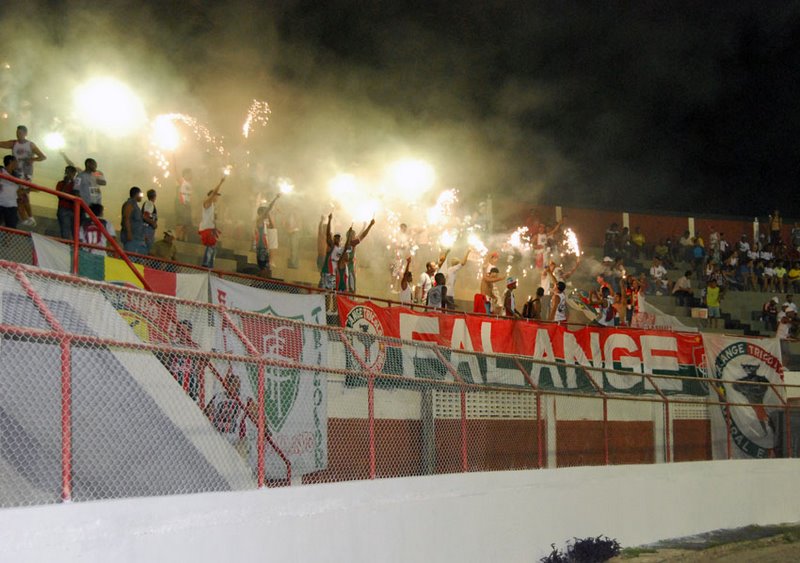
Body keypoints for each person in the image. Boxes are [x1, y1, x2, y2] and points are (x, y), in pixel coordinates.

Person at [0, 125, 46, 227]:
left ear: (25, 133)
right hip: (16, 172)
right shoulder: (13, 143)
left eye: (20, 133)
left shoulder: (30, 145)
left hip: (26, 173)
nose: (18, 134)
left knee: (23, 193)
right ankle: (26, 218)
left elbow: (43, 157)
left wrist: (32, 159)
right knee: (18, 194)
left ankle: (30, 217)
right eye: (17, 132)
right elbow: (1, 144)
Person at [199, 176, 225, 268]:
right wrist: (221, 183)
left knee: (213, 247)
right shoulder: (207, 203)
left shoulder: (213, 206)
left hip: (210, 229)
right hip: (206, 228)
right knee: (210, 246)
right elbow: (214, 192)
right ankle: (206, 264)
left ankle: (209, 264)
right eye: (216, 195)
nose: (217, 197)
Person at [345, 218, 376, 293]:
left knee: (349, 290)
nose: (355, 236)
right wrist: (370, 225)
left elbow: (360, 235)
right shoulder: (351, 244)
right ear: (350, 236)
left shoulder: (346, 244)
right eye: (353, 235)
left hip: (348, 271)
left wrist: (364, 227)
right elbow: (363, 236)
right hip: (349, 271)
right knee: (351, 291)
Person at [319, 213, 344, 290]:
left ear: (340, 240)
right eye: (335, 237)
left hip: (333, 274)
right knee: (322, 291)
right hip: (326, 271)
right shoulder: (331, 246)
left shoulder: (341, 249)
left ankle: (326, 301)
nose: (337, 239)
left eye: (338, 238)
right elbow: (328, 234)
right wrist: (329, 220)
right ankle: (321, 302)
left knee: (330, 292)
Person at [55, 165, 79, 239]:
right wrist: (66, 183)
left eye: (71, 173)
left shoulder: (77, 184)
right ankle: (66, 247)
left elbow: (77, 196)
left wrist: (73, 183)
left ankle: (74, 248)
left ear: (74, 174)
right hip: (63, 209)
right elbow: (60, 195)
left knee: (75, 232)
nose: (68, 174)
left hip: (75, 210)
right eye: (67, 172)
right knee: (65, 232)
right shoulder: (60, 183)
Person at [120, 187, 146, 254]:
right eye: (140, 194)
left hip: (137, 238)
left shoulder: (135, 205)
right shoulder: (130, 204)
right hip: (132, 239)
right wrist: (129, 233)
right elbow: (126, 218)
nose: (141, 197)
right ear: (136, 194)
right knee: (130, 259)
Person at [174, 167, 193, 241]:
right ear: (185, 174)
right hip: (180, 204)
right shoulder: (181, 181)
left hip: (187, 204)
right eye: (189, 173)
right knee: (180, 222)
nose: (191, 175)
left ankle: (183, 239)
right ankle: (176, 238)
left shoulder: (189, 184)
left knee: (187, 224)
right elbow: (175, 173)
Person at [0, 155, 20, 229]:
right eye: (16, 162)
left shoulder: (17, 176)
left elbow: (18, 191)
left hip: (12, 206)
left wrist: (28, 190)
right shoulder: (1, 170)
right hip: (0, 203)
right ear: (11, 161)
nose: (17, 164)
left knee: (11, 229)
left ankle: (7, 241)